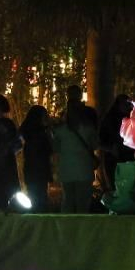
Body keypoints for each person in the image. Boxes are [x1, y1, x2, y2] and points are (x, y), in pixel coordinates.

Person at [52, 85, 100, 213]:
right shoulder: (88, 127)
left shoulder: (60, 131)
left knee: (68, 201)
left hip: (66, 170)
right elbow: (95, 144)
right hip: (84, 169)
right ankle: (82, 229)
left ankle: (65, 228)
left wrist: (56, 169)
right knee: (83, 203)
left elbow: (55, 149)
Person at [18, 104, 52, 211]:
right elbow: (49, 149)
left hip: (30, 168)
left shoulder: (26, 132)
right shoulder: (41, 133)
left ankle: (33, 221)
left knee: (33, 196)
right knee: (41, 198)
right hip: (40, 169)